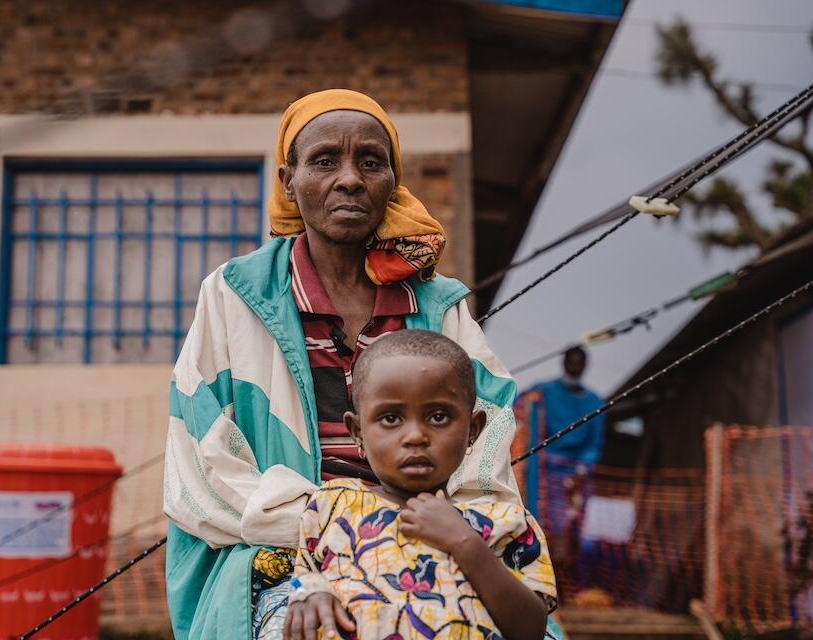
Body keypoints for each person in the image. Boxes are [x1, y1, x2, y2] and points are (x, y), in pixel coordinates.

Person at [163, 89, 530, 640]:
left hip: (431, 546)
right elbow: (204, 472)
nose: (351, 179)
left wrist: (431, 538)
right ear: (288, 182)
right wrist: (350, 534)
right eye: (325, 161)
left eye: (370, 162)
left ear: (392, 181)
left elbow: (488, 453)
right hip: (280, 558)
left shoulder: (439, 306)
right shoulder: (233, 296)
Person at [284, 330, 557, 640]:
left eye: (438, 416)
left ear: (473, 429)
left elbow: (531, 630)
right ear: (357, 431)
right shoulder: (331, 505)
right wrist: (311, 594)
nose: (415, 435)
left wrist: (465, 543)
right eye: (390, 418)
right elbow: (305, 578)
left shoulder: (507, 521)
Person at [520, 346, 605, 532]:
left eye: (579, 364)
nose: (575, 368)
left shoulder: (595, 402)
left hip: (578, 476)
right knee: (542, 524)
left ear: (585, 366)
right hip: (543, 473)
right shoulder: (542, 392)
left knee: (573, 529)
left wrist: (582, 469)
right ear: (564, 364)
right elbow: (518, 408)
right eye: (572, 363)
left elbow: (595, 443)